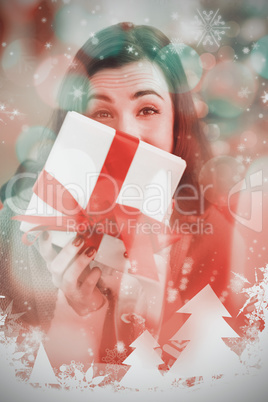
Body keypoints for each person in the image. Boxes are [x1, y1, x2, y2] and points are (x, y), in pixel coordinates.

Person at [0, 22, 246, 369]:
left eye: (147, 109)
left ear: (178, 125)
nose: (126, 134)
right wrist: (75, 316)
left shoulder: (218, 239)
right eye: (101, 112)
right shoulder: (16, 237)